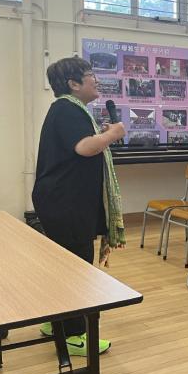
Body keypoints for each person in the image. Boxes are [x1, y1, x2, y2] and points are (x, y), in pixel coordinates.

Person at [32, 57, 126, 356]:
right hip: (66, 204)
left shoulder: (68, 109)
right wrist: (112, 134)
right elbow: (84, 148)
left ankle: (56, 323)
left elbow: (84, 144)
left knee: (63, 266)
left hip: (64, 202)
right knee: (75, 268)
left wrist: (102, 135)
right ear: (73, 84)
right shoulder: (67, 109)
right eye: (90, 75)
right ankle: (73, 335)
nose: (95, 79)